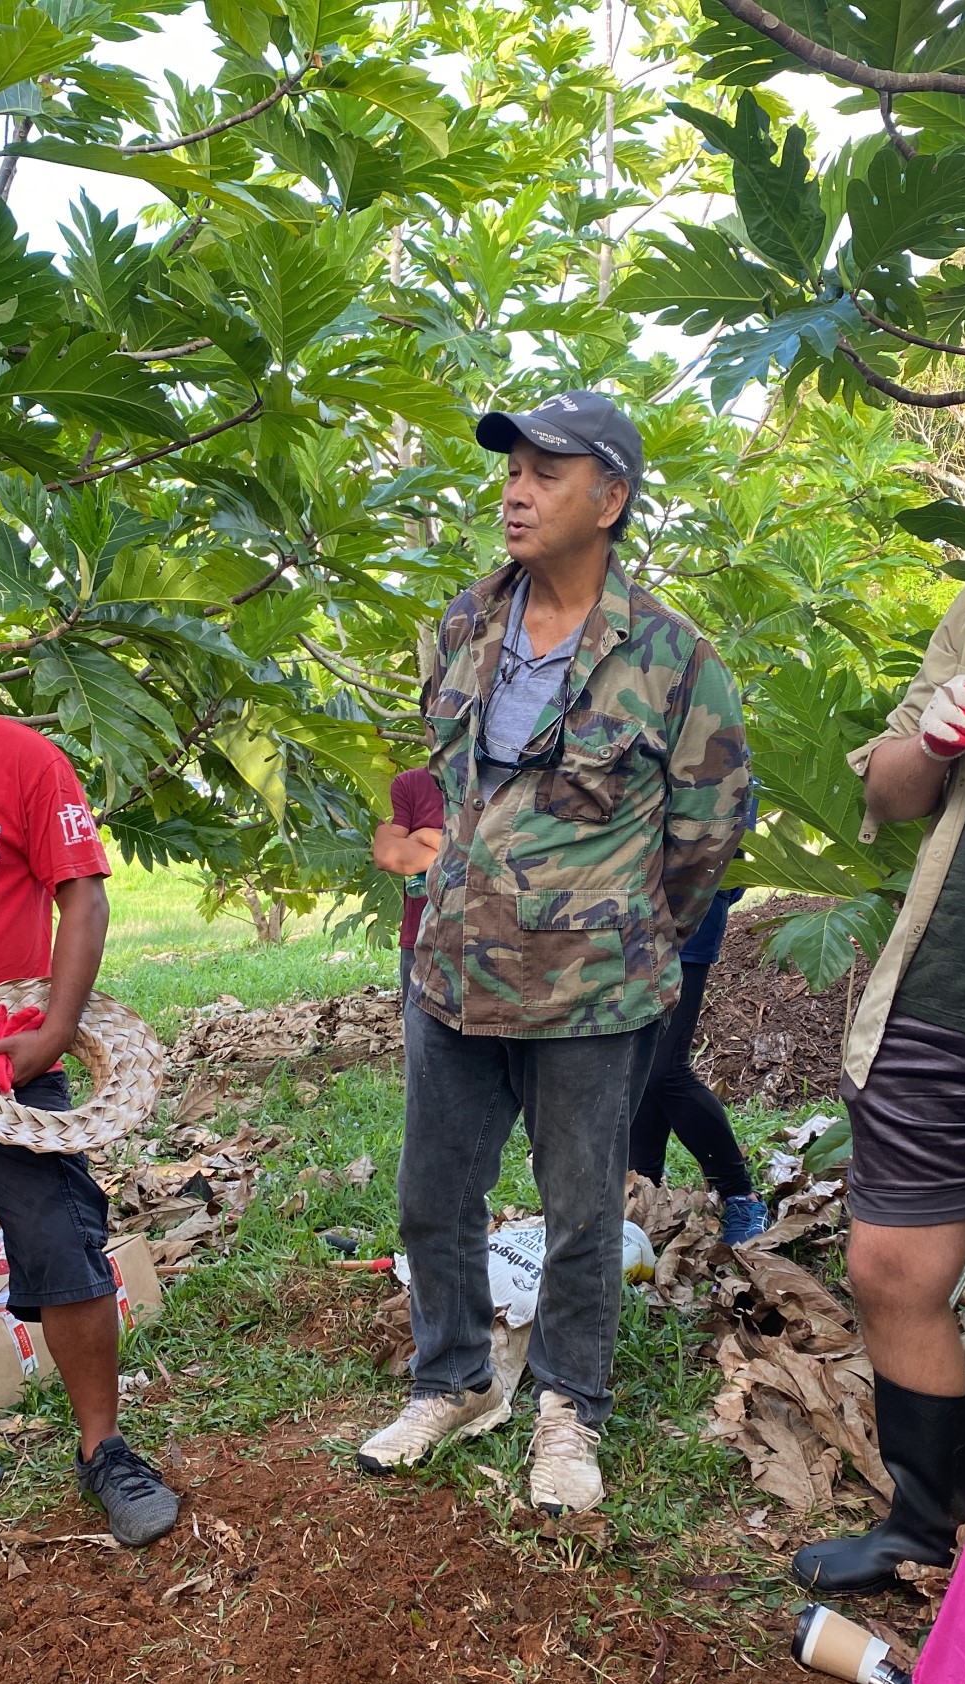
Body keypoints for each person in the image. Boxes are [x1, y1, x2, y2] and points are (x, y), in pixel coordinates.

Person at [358, 390, 750, 1511]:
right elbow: (453, 787)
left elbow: (710, 823)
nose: (515, 490)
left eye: (545, 471)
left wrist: (622, 930)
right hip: (449, 977)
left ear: (610, 498)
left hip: (590, 995)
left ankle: (569, 1409)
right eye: (511, 469)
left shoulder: (672, 654)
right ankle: (452, 1380)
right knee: (435, 1195)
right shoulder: (463, 622)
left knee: (583, 1209)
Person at [0, 624, 179, 1546]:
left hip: (6, 1068)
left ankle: (103, 1448)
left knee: (61, 1247)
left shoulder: (21, 760)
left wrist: (60, 1028)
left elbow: (83, 890)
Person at [793, 580, 965, 1594]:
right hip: (949, 994)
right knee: (894, 1269)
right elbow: (888, 793)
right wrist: (933, 743)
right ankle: (931, 1527)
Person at [628, 863, 769, 1247]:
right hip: (627, 912)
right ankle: (643, 1188)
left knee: (664, 1069)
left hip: (687, 909)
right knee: (643, 1062)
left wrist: (709, 893)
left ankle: (741, 1193)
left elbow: (728, 841)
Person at [373, 765, 443, 1004]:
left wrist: (424, 836)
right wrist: (462, 855)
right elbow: (386, 852)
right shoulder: (408, 784)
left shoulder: (516, 785)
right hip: (423, 943)